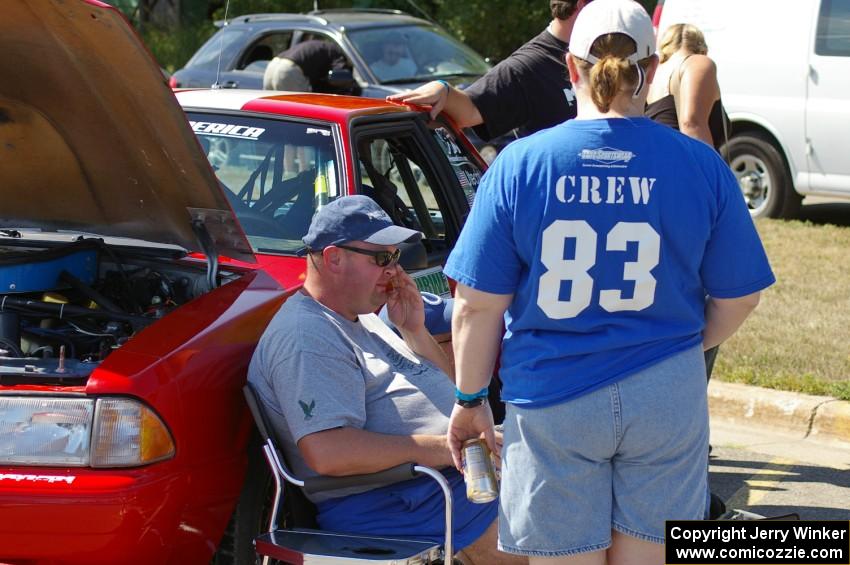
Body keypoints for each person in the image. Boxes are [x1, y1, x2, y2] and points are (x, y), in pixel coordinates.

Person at [442, 1, 775, 563]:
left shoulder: (521, 164)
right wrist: (683, 347)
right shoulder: (700, 163)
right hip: (665, 393)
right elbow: (741, 294)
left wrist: (470, 398)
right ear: (648, 70)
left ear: (570, 69)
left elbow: (475, 306)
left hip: (553, 397)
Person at [247, 195, 525, 565]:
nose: (394, 270)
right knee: (571, 542)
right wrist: (447, 448)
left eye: (395, 258)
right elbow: (328, 452)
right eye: (381, 258)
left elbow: (449, 396)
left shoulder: (361, 316)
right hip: (407, 503)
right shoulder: (307, 337)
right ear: (333, 258)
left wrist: (415, 332)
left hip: (446, 483)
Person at [387, 0, 592, 141]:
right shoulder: (529, 65)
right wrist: (442, 89)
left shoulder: (607, 53)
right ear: (582, 6)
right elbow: (470, 111)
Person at [646, 23, 727, 152]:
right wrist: (711, 171)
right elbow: (692, 125)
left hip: (656, 165)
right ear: (703, 49)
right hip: (688, 166)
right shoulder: (697, 63)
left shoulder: (651, 75)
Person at [263, 39, 352, 93]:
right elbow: (339, 75)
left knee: (271, 111)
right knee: (298, 115)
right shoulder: (338, 53)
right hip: (289, 70)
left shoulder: (325, 47)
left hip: (273, 65)